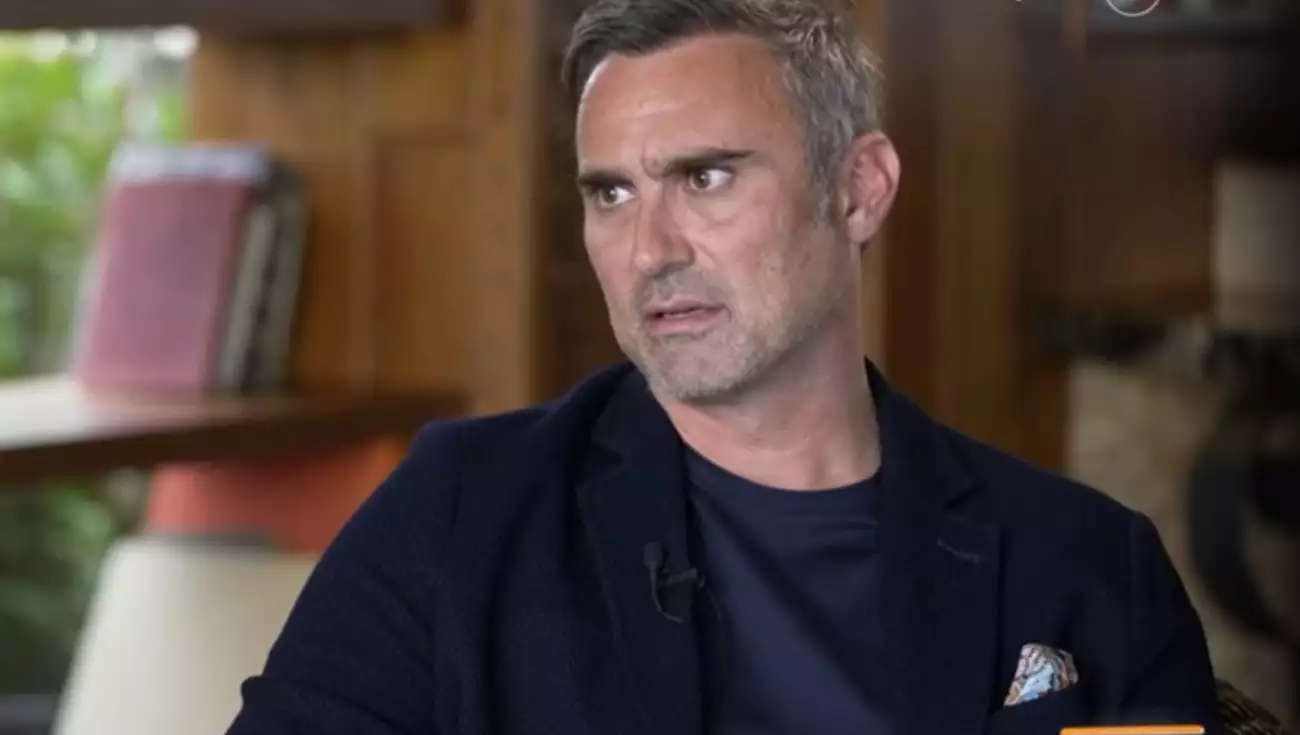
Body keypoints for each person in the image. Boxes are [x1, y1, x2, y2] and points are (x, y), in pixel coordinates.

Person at [226, 0, 1225, 733]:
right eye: (611, 195)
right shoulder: (461, 512)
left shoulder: (1091, 565)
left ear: (859, 189)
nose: (649, 251)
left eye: (704, 178)